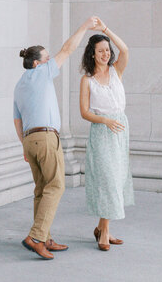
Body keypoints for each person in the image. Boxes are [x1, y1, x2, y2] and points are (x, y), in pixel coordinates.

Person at [14, 16, 98, 260]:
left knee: (41, 189)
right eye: (48, 58)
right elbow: (68, 49)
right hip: (46, 138)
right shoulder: (41, 74)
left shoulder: (19, 85)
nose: (52, 60)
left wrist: (24, 146)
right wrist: (84, 26)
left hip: (30, 140)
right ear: (38, 64)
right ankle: (37, 237)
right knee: (57, 185)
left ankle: (45, 237)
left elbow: (17, 121)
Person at [79, 18, 134, 251]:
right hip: (102, 132)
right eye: (100, 51)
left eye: (107, 50)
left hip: (120, 130)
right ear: (92, 53)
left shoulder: (115, 71)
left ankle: (104, 229)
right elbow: (84, 112)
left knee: (117, 180)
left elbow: (126, 49)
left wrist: (105, 30)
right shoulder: (87, 80)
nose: (105, 54)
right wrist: (105, 120)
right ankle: (103, 232)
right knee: (107, 180)